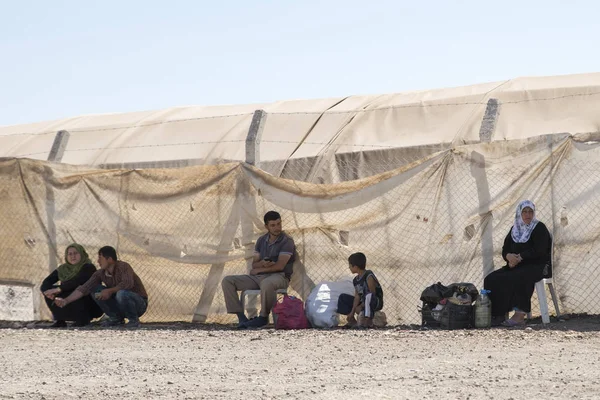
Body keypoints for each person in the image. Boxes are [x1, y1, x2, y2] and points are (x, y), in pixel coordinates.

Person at [221, 211, 295, 329]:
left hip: (279, 277)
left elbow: (280, 266)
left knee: (267, 283)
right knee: (228, 281)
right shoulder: (261, 240)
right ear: (266, 226)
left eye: (279, 224)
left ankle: (263, 317)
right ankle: (242, 318)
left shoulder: (287, 241)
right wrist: (262, 264)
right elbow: (254, 265)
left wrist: (260, 269)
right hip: (260, 277)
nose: (277, 228)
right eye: (273, 225)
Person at [484, 200, 551, 327]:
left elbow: (540, 250)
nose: (528, 214)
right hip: (515, 265)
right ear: (519, 213)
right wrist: (508, 257)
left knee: (520, 276)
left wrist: (521, 257)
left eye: (530, 211)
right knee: (492, 279)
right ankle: (498, 314)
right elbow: (505, 249)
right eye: (524, 211)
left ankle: (520, 315)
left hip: (537, 265)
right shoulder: (514, 229)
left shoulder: (539, 227)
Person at [55, 246, 148, 329]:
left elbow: (128, 284)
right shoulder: (100, 273)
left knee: (122, 293)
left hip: (138, 304)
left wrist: (109, 291)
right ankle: (115, 319)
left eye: (100, 258)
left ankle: (133, 321)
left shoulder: (123, 266)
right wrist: (65, 301)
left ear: (110, 259)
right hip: (119, 303)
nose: (98, 261)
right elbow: (84, 288)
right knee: (96, 290)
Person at [40, 243, 103, 327]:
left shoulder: (88, 267)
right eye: (70, 254)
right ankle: (60, 320)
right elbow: (47, 282)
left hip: (89, 302)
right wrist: (46, 292)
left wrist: (59, 289)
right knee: (51, 290)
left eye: (76, 253)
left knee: (76, 291)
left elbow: (77, 282)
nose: (73, 256)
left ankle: (83, 319)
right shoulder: (63, 269)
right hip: (68, 299)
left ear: (82, 254)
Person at [337, 252, 384, 328]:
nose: (349, 267)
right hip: (363, 302)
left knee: (369, 296)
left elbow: (372, 293)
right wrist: (353, 311)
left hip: (374, 302)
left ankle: (367, 321)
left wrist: (362, 305)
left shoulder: (369, 275)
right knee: (343, 298)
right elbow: (357, 297)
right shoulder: (355, 280)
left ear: (355, 266)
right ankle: (352, 321)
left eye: (350, 265)